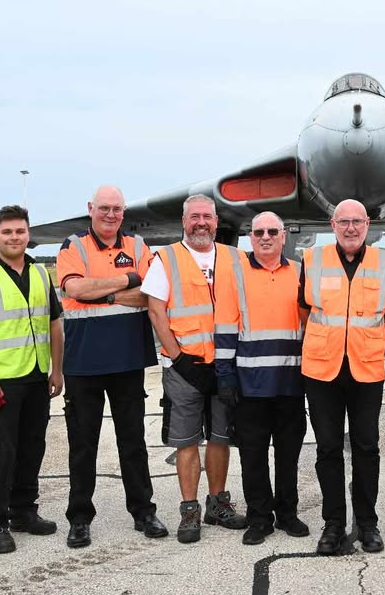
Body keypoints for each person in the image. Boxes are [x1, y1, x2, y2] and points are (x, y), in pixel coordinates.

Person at [57, 185, 167, 548]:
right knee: (83, 445)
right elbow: (74, 290)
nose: (110, 215)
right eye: (104, 208)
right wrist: (125, 280)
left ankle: (143, 511)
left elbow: (152, 292)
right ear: (91, 208)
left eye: (117, 209)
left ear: (123, 212)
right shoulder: (73, 246)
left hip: (127, 359)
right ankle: (79, 518)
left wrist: (100, 291)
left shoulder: (137, 246)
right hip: (84, 362)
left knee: (133, 442)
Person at [0, 205, 65, 553]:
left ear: (28, 234)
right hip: (1, 381)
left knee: (32, 448)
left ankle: (24, 511)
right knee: (0, 453)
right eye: (7, 232)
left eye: (20, 231)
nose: (14, 237)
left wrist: (57, 369)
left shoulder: (40, 274)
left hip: (36, 377)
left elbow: (54, 324)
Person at [144, 194, 246, 544]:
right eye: (194, 217)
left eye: (207, 217)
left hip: (224, 366)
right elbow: (156, 311)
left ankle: (218, 504)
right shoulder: (166, 258)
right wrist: (179, 358)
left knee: (221, 437)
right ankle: (190, 510)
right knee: (187, 441)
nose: (201, 223)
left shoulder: (236, 258)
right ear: (184, 222)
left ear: (216, 222)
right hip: (185, 368)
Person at [299, 199, 385, 556]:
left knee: (367, 448)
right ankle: (334, 524)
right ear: (333, 224)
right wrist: (329, 340)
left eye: (357, 221)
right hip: (322, 370)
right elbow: (303, 309)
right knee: (327, 449)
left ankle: (367, 522)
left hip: (366, 369)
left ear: (367, 224)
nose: (351, 228)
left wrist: (366, 338)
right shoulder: (312, 261)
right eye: (344, 222)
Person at [213, 211, 309, 546]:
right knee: (252, 457)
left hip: (291, 385)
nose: (265, 237)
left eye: (272, 231)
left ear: (284, 236)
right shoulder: (234, 274)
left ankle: (287, 514)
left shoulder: (300, 272)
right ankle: (259, 519)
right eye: (258, 232)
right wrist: (224, 377)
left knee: (288, 456)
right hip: (249, 386)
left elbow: (310, 326)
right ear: (250, 238)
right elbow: (224, 328)